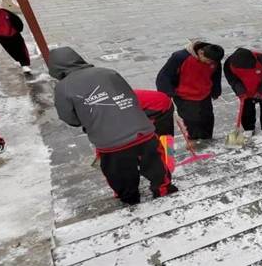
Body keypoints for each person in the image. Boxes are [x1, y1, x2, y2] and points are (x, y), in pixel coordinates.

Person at [48, 47, 177, 205]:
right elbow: (130, 95)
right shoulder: (107, 72)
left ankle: (131, 202)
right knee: (155, 165)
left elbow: (71, 119)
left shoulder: (63, 88)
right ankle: (163, 190)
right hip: (142, 131)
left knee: (120, 175)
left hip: (110, 143)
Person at [156, 41, 224, 140]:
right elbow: (164, 76)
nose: (210, 63)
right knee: (192, 122)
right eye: (208, 60)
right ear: (201, 53)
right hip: (185, 96)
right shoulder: (180, 57)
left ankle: (207, 139)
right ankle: (196, 142)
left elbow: (216, 76)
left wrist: (216, 91)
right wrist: (167, 93)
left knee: (207, 119)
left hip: (204, 94)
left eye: (212, 62)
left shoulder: (214, 59)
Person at [224, 48, 262, 134]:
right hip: (246, 91)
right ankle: (248, 128)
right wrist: (240, 90)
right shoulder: (229, 63)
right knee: (246, 110)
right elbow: (232, 79)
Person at [134, 89, 175, 172]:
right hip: (163, 102)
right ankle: (168, 161)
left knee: (161, 138)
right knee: (165, 136)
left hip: (160, 107)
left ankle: (168, 164)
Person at [0, 0, 31, 74]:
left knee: (20, 48)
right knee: (11, 50)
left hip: (14, 34)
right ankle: (20, 61)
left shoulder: (4, 12)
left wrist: (18, 29)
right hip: (1, 37)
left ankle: (25, 64)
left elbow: (16, 19)